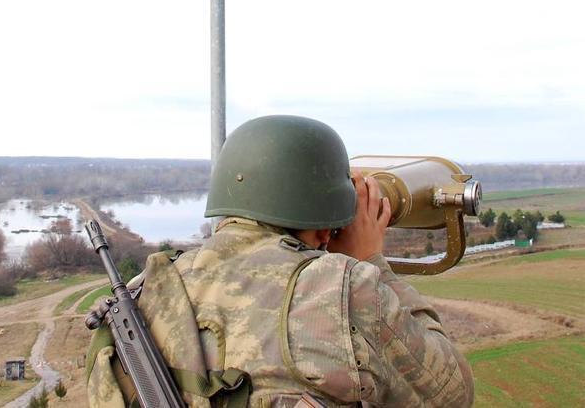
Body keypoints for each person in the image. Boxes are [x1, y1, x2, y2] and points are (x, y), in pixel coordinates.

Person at [86, 115, 474, 407]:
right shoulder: (344, 292)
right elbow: (451, 392)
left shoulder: (138, 297)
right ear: (322, 224)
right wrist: (371, 263)